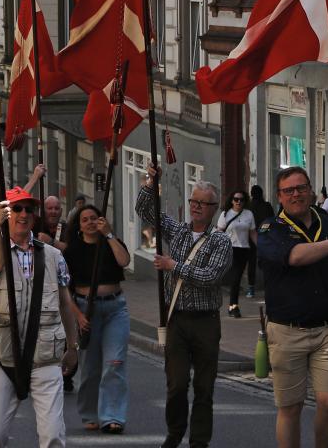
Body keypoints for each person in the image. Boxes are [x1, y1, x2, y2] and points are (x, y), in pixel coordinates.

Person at [258, 167, 328, 448]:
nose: (296, 194)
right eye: (289, 190)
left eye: (301, 188)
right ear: (279, 196)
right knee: (291, 407)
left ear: (311, 190)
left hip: (326, 330)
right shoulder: (271, 229)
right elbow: (295, 256)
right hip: (286, 330)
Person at [138, 170, 233, 448]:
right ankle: (174, 432)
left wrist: (174, 266)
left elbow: (211, 276)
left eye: (202, 203)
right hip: (177, 320)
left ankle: (199, 441)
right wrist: (151, 182)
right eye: (193, 201)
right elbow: (145, 210)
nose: (196, 207)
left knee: (204, 386)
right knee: (176, 384)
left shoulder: (220, 241)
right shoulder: (178, 231)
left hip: (206, 322)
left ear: (214, 208)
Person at [0, 187, 80, 448]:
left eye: (29, 209)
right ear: (5, 215)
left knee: (53, 435)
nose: (23, 214)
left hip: (45, 355)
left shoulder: (54, 256)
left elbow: (65, 303)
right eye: (16, 209)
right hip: (2, 356)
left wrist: (72, 346)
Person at [63, 204, 130, 434]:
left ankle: (112, 416)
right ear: (79, 226)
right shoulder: (71, 252)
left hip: (115, 309)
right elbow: (65, 290)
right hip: (86, 309)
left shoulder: (111, 243)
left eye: (94, 218)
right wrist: (78, 316)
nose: (90, 222)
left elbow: (124, 261)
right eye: (85, 220)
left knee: (114, 363)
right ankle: (90, 413)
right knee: (91, 367)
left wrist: (109, 235)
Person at [216, 190, 258, 318]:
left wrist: (261, 247)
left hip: (243, 249)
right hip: (230, 248)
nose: (238, 202)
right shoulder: (225, 214)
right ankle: (233, 307)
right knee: (235, 278)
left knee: (237, 278)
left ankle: (232, 306)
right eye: (236, 199)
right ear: (232, 200)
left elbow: (253, 233)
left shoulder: (249, 214)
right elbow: (219, 232)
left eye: (241, 200)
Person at [246, 185, 276, 297]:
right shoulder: (267, 206)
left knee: (251, 263)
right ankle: (269, 285)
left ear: (252, 194)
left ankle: (251, 288)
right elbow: (272, 220)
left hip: (250, 237)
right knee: (266, 262)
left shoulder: (248, 207)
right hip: (265, 236)